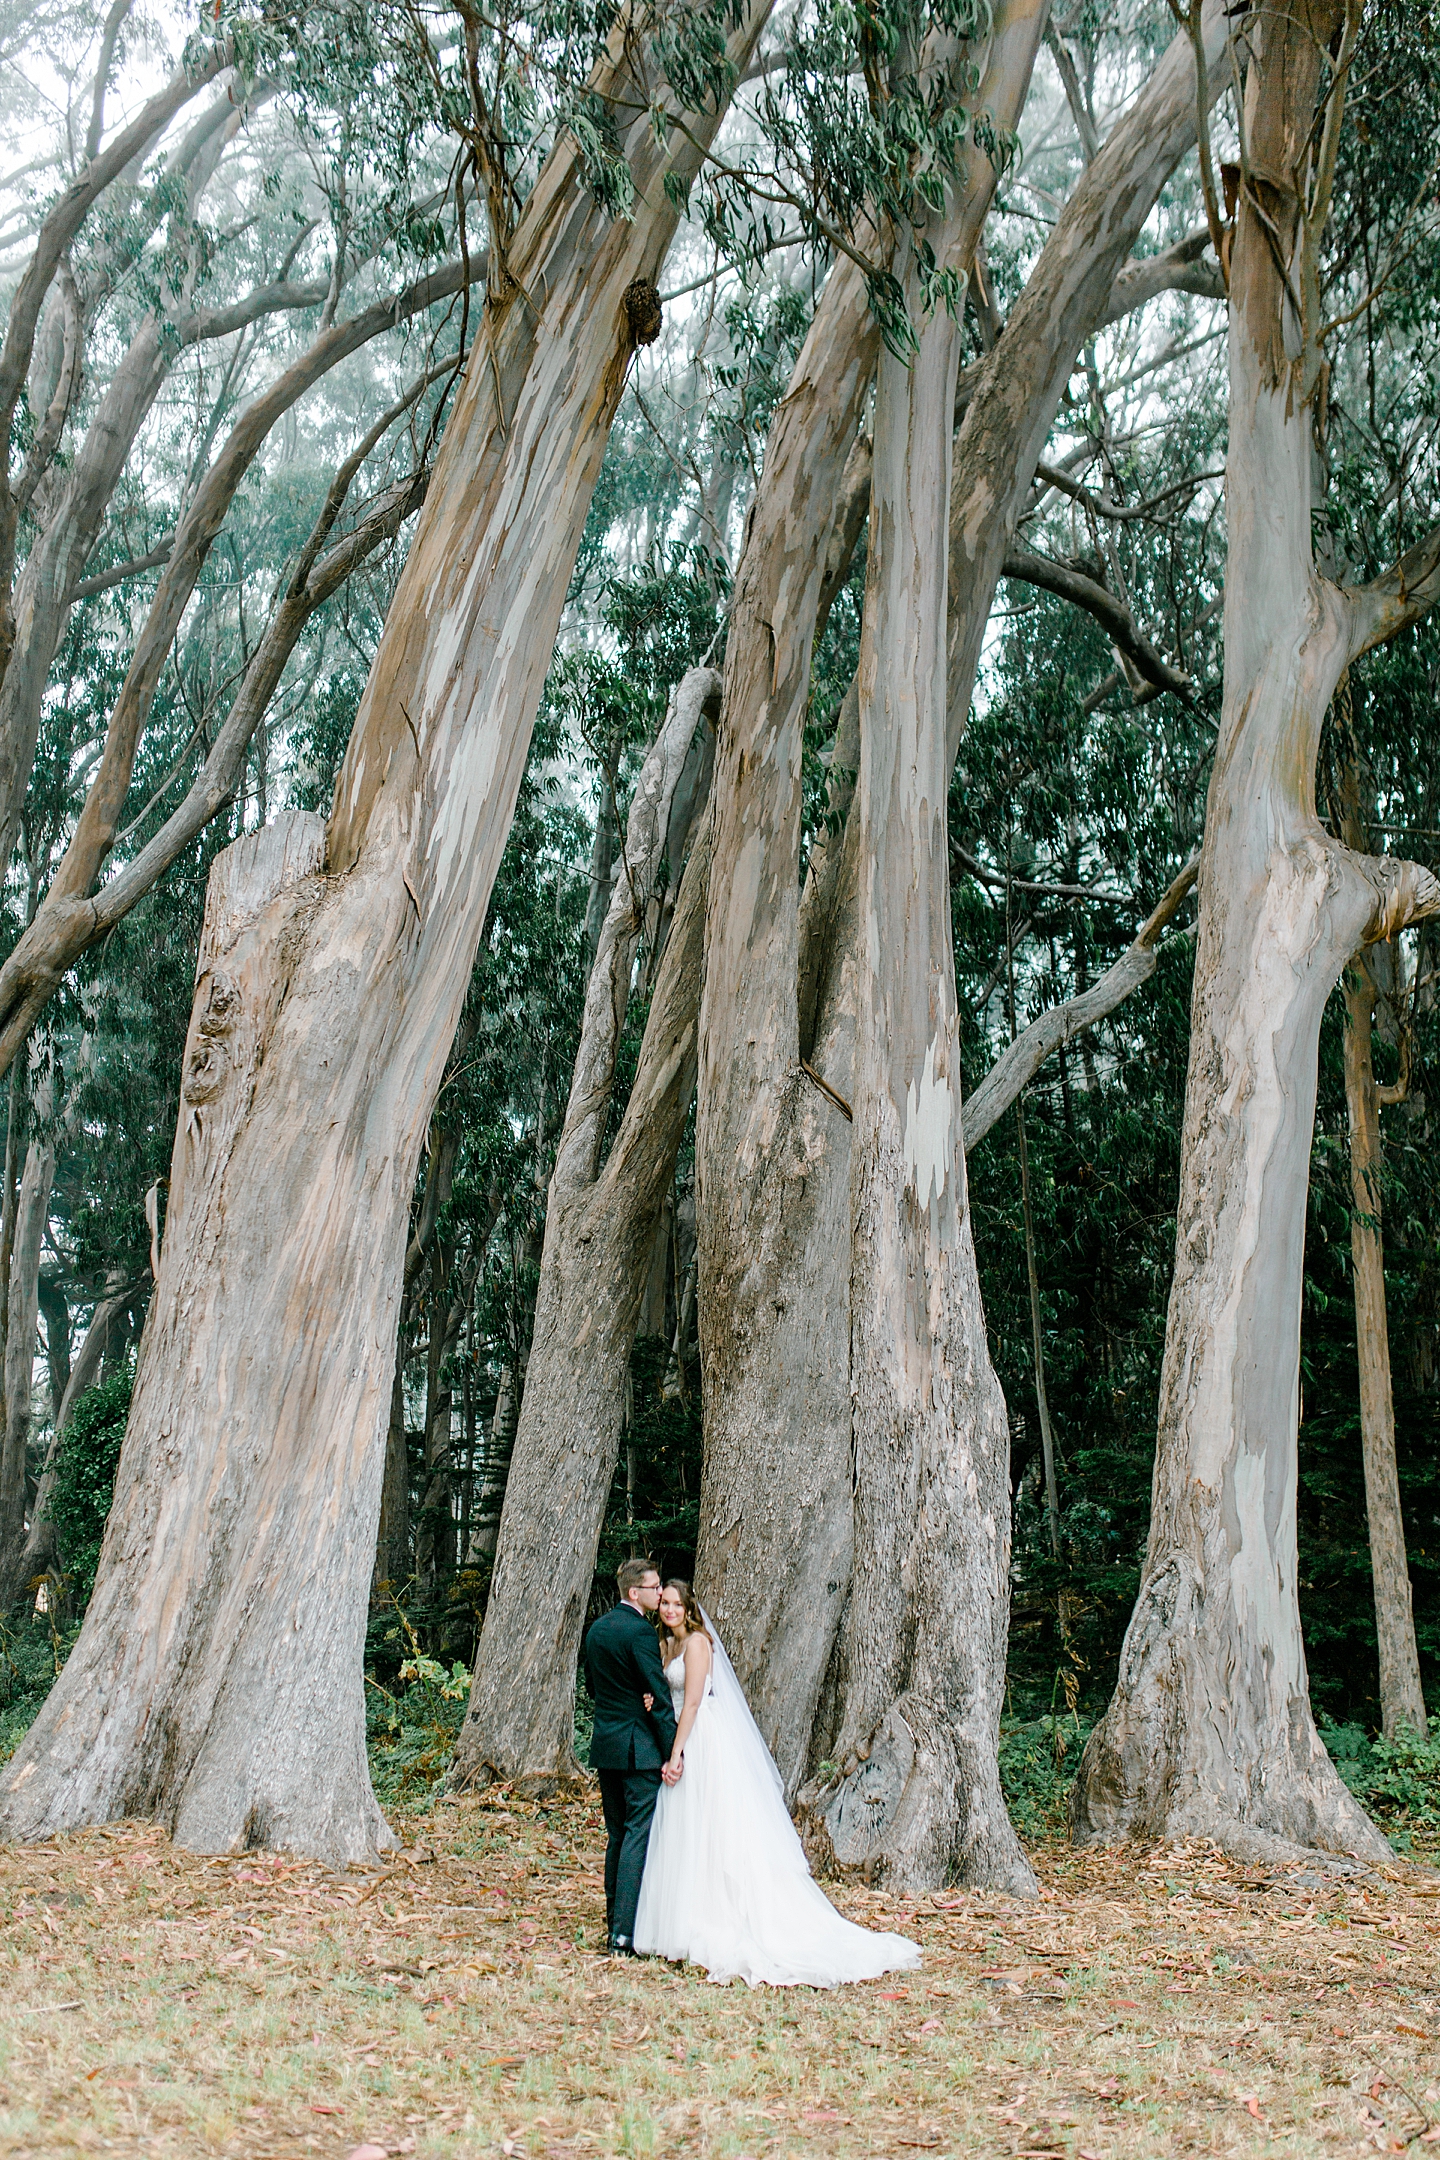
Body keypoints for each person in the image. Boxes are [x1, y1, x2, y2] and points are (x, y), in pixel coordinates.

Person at [633, 1579, 921, 1987]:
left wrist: (677, 1752)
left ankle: (725, 1919)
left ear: (689, 1608)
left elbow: (694, 1701)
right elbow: (668, 1694)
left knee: (713, 1826)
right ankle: (687, 1917)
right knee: (688, 1829)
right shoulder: (667, 1645)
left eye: (677, 1605)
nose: (669, 1610)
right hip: (678, 1732)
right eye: (665, 1603)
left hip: (700, 1737)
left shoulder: (697, 1643)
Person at [583, 1556, 678, 1956]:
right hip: (639, 1749)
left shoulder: (597, 1629)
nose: (660, 1593)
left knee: (617, 1835)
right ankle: (624, 1934)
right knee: (637, 1835)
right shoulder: (640, 1632)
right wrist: (675, 1747)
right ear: (634, 1591)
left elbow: (592, 1689)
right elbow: (658, 1696)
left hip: (606, 1745)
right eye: (655, 1587)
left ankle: (613, 1924)